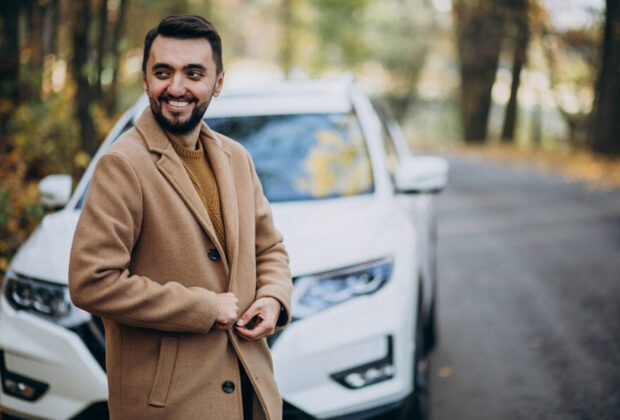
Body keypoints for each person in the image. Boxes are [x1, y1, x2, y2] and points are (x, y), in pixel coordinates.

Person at [69, 15, 292, 420]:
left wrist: (274, 298)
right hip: (169, 405)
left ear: (218, 82)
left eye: (193, 73)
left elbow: (270, 248)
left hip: (249, 392)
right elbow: (91, 283)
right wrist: (204, 308)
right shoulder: (123, 164)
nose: (176, 87)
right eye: (162, 72)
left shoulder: (236, 158)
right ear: (145, 79)